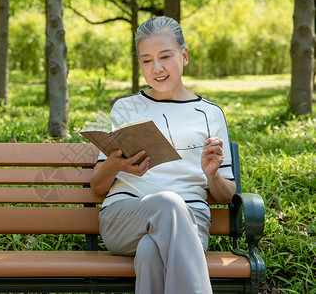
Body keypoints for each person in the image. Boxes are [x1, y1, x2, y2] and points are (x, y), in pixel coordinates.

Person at [90, 16, 237, 294]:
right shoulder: (125, 108)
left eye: (165, 56)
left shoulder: (210, 114)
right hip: (125, 217)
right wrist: (113, 165)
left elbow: (227, 195)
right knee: (169, 204)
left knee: (149, 251)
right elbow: (97, 187)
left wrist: (211, 173)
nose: (156, 68)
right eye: (146, 60)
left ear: (184, 56)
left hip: (191, 220)